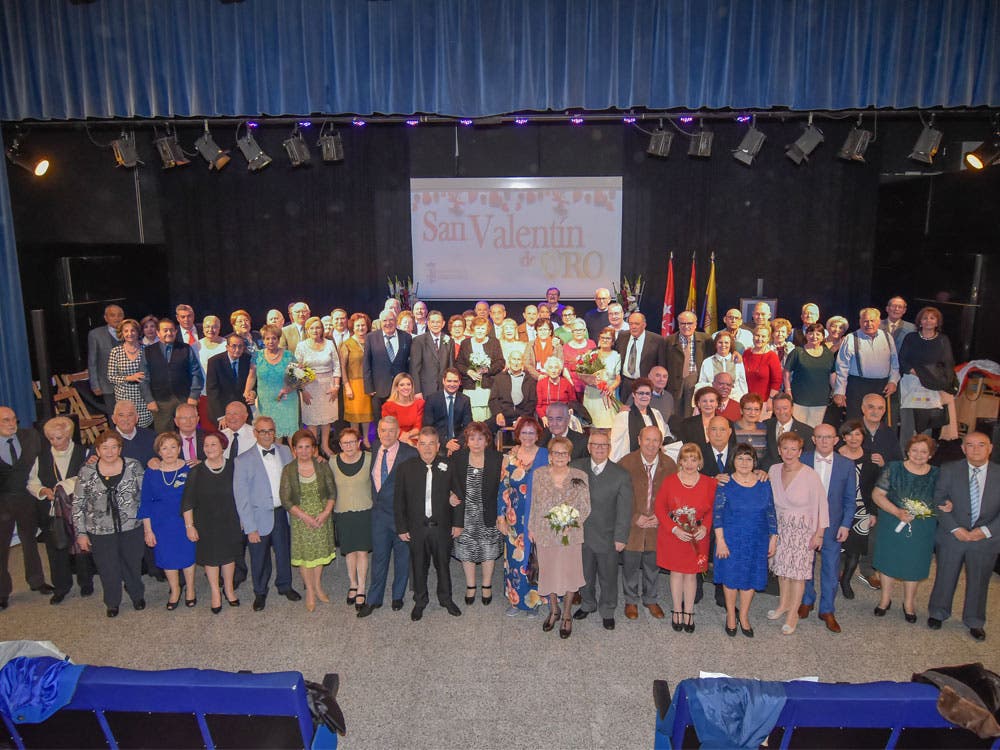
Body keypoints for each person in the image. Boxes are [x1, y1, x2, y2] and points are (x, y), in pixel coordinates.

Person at [928, 432, 999, 641]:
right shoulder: (950, 469)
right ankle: (938, 612)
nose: (975, 449)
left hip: (986, 538)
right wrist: (955, 528)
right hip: (953, 534)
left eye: (981, 445)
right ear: (963, 449)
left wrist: (985, 531)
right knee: (945, 574)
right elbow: (938, 499)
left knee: (979, 580)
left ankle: (975, 620)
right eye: (970, 445)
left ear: (990, 448)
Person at [72, 430, 146, 617]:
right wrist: (80, 533)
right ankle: (112, 602)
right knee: (107, 567)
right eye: (105, 448)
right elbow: (78, 503)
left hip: (131, 526)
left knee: (133, 563)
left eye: (114, 447)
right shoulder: (86, 471)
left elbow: (145, 497)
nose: (110, 451)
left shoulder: (133, 466)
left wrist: (148, 526)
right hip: (99, 530)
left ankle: (137, 595)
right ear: (97, 450)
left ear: (120, 448)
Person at [394, 427, 464, 621]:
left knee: (443, 565)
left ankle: (446, 599)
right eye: (422, 444)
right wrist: (401, 527)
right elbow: (398, 501)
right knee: (418, 566)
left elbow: (458, 495)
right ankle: (420, 601)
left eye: (431, 444)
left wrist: (458, 523)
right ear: (417, 446)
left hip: (441, 527)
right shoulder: (405, 468)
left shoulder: (448, 465)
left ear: (438, 446)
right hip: (416, 528)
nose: (427, 448)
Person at [872, 434, 941, 624]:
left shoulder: (937, 473)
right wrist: (897, 512)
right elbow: (877, 495)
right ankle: (885, 599)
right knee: (888, 560)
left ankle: (909, 603)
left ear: (930, 454)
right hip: (892, 521)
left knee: (915, 563)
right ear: (908, 451)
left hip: (922, 526)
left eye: (924, 452)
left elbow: (943, 498)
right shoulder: (893, 468)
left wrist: (947, 504)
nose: (918, 455)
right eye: (914, 450)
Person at [233, 416, 301, 611]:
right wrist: (249, 526)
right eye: (263, 431)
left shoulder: (286, 451)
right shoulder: (243, 460)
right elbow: (241, 497)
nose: (267, 434)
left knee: (283, 552)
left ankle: (285, 585)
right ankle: (260, 592)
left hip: (282, 513)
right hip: (257, 517)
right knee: (259, 557)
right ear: (255, 433)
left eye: (270, 430)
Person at [26, 416, 94, 604]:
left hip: (79, 511)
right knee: (56, 548)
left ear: (69, 435)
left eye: (59, 438)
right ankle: (62, 587)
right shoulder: (41, 456)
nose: (55, 442)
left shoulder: (84, 452)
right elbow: (32, 481)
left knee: (82, 547)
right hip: (53, 512)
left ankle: (86, 582)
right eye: (51, 438)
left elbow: (91, 478)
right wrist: (42, 491)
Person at [766, 431, 829, 635]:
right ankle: (783, 604)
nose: (789, 453)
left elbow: (822, 505)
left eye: (794, 449)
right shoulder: (774, 470)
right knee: (782, 569)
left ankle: (793, 613)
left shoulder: (810, 474)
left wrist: (819, 533)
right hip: (779, 527)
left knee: (798, 574)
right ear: (779, 450)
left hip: (802, 529)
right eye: (785, 448)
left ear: (800, 451)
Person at [713, 443, 778, 638]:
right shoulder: (725, 483)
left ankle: (744, 615)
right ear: (733, 460)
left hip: (757, 539)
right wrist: (720, 541)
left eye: (748, 458)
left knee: (750, 579)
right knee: (731, 579)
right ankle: (731, 615)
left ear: (754, 462)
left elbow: (771, 512)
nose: (744, 462)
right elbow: (717, 515)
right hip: (731, 539)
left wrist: (773, 538)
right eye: (740, 458)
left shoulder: (764, 482)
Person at [529, 436, 591, 639]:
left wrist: (570, 522)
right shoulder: (538, 474)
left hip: (569, 535)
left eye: (564, 453)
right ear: (550, 455)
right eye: (556, 452)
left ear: (569, 456)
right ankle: (554, 610)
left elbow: (585, 506)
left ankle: (566, 614)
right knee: (550, 573)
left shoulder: (579, 475)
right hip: (545, 533)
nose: (560, 456)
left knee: (569, 574)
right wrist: (531, 528)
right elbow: (534, 503)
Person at [798, 423, 857, 633]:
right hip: (806, 523)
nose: (824, 441)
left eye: (828, 437)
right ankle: (806, 600)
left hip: (833, 525)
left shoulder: (846, 465)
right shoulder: (802, 460)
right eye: (819, 437)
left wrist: (845, 525)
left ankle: (827, 609)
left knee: (831, 569)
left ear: (836, 440)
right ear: (813, 440)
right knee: (805, 565)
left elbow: (851, 499)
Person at [571, 430, 632, 631]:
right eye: (595, 444)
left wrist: (621, 537)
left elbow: (625, 510)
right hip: (582, 534)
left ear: (609, 448)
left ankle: (608, 610)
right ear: (588, 447)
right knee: (585, 574)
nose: (599, 448)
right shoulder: (576, 468)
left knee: (608, 576)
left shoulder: (620, 474)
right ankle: (588, 603)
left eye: (603, 445)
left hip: (608, 537)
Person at [357, 416, 418, 617]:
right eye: (384, 430)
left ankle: (398, 596)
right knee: (379, 559)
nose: (388, 434)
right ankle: (374, 599)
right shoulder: (374, 449)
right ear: (379, 431)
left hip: (402, 518)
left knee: (402, 558)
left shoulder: (410, 453)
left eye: (392, 430)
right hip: (379, 518)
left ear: (399, 431)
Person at [654, 443, 714, 633]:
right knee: (676, 573)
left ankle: (689, 611)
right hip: (675, 535)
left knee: (691, 574)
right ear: (679, 461)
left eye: (693, 459)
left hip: (697, 535)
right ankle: (677, 610)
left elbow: (713, 509)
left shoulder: (708, 483)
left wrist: (705, 526)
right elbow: (659, 508)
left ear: (699, 461)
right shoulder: (670, 481)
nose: (689, 463)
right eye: (685, 459)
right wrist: (673, 529)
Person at [181, 431, 244, 613]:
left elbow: (242, 495)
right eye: (206, 445)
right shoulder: (196, 472)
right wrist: (189, 526)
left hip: (230, 520)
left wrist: (243, 518)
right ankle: (216, 592)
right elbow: (187, 502)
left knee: (229, 557)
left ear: (223, 446)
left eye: (213, 444)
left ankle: (229, 590)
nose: (209, 448)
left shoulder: (234, 467)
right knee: (211, 558)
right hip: (206, 523)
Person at [619, 425, 677, 621]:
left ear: (661, 443)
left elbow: (674, 497)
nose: (651, 444)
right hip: (633, 526)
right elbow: (619, 497)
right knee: (630, 566)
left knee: (653, 565)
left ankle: (650, 599)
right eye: (647, 440)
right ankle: (630, 600)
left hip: (657, 526)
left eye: (655, 441)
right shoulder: (626, 463)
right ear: (639, 440)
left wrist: (662, 517)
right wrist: (635, 517)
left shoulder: (669, 465)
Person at [138, 432, 196, 610]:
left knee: (187, 556)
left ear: (179, 449)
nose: (169, 451)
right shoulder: (151, 472)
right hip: (161, 523)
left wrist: (191, 525)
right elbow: (145, 501)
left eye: (173, 447)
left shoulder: (188, 469)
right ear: (158, 451)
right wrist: (148, 530)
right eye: (164, 448)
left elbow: (194, 498)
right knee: (167, 557)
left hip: (184, 521)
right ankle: (175, 590)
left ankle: (191, 589)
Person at [280, 430, 337, 612]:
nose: (304, 451)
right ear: (294, 449)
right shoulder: (288, 469)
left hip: (322, 518)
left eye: (308, 447)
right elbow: (286, 499)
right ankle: (310, 592)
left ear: (314, 449)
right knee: (305, 557)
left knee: (319, 554)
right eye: (300, 447)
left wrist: (326, 513)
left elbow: (332, 492)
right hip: (301, 519)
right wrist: (304, 517)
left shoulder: (322, 466)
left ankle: (318, 585)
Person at [497, 416, 548, 615]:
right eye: (524, 432)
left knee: (535, 559)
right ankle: (516, 601)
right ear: (518, 434)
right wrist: (500, 516)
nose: (527, 436)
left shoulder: (546, 455)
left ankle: (534, 602)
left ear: (537, 435)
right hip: (514, 517)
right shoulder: (509, 458)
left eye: (531, 432)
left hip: (538, 516)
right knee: (515, 560)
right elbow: (503, 487)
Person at [0, 407, 50, 608]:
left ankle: (37, 581)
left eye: (14, 419)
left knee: (31, 541)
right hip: (2, 501)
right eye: (5, 420)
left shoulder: (31, 436)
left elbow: (47, 459)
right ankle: (2, 593)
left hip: (27, 497)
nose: (12, 424)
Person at [451, 422, 502, 606]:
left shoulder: (497, 458)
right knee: (466, 550)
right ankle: (470, 585)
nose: (476, 442)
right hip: (465, 513)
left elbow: (503, 486)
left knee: (488, 550)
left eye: (480, 438)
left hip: (488, 511)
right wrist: (451, 495)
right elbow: (451, 482)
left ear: (487, 440)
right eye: (472, 438)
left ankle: (486, 585)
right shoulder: (458, 457)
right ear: (467, 440)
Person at [898, 306, 959, 446]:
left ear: (937, 322)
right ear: (919, 322)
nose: (928, 321)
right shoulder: (911, 337)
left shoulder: (943, 340)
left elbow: (948, 363)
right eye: (925, 318)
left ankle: (924, 457)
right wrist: (916, 373)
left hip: (932, 386)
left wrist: (944, 383)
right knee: (907, 424)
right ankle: (903, 458)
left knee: (926, 426)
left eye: (932, 318)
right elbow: (902, 360)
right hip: (910, 383)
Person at [328, 428, 373, 610]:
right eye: (345, 443)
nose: (349, 446)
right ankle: (352, 583)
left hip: (365, 511)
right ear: (340, 445)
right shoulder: (332, 462)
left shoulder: (369, 459)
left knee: (362, 551)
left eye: (352, 442)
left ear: (359, 442)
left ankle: (361, 587)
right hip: (343, 512)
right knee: (349, 551)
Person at [836, 419, 881, 600]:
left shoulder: (871, 458)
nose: (853, 438)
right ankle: (835, 576)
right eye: (849, 434)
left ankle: (846, 581)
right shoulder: (834, 455)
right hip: (837, 509)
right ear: (843, 437)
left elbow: (875, 488)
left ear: (863, 436)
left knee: (854, 550)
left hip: (861, 510)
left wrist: (873, 512)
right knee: (837, 548)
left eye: (857, 434)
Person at [833, 308, 900, 421]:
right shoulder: (850, 338)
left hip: (882, 386)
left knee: (881, 423)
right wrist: (839, 392)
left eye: (872, 320)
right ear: (860, 322)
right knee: (856, 422)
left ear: (879, 321)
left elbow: (894, 364)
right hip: (857, 386)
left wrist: (893, 381)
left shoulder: (888, 337)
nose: (869, 324)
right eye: (865, 321)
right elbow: (842, 368)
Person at [141, 318, 204, 434]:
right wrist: (149, 400)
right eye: (165, 330)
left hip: (185, 399)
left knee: (189, 433)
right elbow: (144, 378)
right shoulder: (148, 351)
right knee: (164, 437)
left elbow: (196, 373)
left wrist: (194, 396)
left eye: (171, 330)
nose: (169, 333)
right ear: (158, 333)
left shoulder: (185, 348)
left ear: (176, 332)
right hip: (160, 402)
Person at [296, 316, 342, 459]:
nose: (316, 330)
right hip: (309, 388)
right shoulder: (301, 346)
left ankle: (325, 446)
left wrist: (336, 386)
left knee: (326, 420)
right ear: (307, 330)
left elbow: (337, 366)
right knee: (312, 422)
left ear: (322, 329)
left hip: (328, 386)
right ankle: (314, 449)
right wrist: (303, 390)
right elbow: (296, 371)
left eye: (318, 327)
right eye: (312, 328)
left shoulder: (329, 344)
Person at [250, 324, 299, 442]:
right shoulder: (257, 356)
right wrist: (247, 391)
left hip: (287, 401)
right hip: (266, 403)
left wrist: (288, 388)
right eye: (267, 338)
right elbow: (251, 376)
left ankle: (294, 460)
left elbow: (298, 377)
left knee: (292, 439)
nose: (271, 341)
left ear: (278, 339)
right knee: (272, 438)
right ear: (263, 340)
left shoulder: (288, 355)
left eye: (274, 338)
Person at [783, 323, 836, 427]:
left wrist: (836, 391)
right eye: (810, 333)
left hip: (820, 400)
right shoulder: (797, 352)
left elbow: (832, 374)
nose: (814, 337)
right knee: (798, 429)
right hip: (799, 398)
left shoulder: (828, 354)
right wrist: (788, 390)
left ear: (823, 337)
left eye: (818, 334)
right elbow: (786, 372)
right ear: (806, 335)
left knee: (814, 429)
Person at [363, 309, 412, 419]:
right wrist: (369, 387)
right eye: (385, 320)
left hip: (401, 389)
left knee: (401, 420)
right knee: (380, 422)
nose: (388, 323)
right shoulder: (371, 337)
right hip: (378, 389)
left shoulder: (406, 337)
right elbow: (366, 363)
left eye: (391, 320)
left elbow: (410, 363)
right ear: (380, 322)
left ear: (396, 321)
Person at [665, 311, 714, 418]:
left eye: (690, 323)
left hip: (696, 385)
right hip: (675, 386)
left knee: (693, 418)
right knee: (675, 419)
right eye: (683, 323)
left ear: (696, 324)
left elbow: (716, 356)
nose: (686, 326)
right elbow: (663, 364)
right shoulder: (668, 341)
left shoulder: (707, 340)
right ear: (678, 324)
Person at [106, 318, 153, 428]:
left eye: (132, 330)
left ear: (138, 332)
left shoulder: (147, 350)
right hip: (124, 398)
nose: (129, 334)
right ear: (122, 333)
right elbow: (111, 377)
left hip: (144, 399)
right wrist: (129, 378)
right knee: (127, 428)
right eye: (126, 331)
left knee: (145, 430)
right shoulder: (116, 352)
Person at [456, 317, 504, 422]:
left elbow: (500, 362)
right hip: (470, 387)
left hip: (488, 387)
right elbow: (459, 363)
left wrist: (487, 370)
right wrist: (469, 371)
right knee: (470, 418)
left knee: (487, 419)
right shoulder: (465, 343)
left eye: (483, 328)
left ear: (487, 330)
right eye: (478, 328)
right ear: (473, 329)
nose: (480, 331)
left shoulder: (494, 342)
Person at [611, 378, 669, 462]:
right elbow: (616, 444)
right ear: (633, 395)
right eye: (641, 393)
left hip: (655, 462)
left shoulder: (656, 414)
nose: (644, 396)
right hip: (631, 463)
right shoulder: (624, 416)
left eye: (647, 393)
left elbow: (665, 435)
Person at [339, 313, 374, 447]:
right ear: (353, 327)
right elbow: (342, 367)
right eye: (358, 325)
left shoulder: (371, 341)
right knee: (355, 416)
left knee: (367, 415)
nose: (361, 328)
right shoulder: (346, 344)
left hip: (368, 384)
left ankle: (365, 439)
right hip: (353, 384)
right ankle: (355, 441)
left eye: (363, 325)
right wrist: (346, 385)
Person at [423, 368, 473, 456]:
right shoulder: (432, 399)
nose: (452, 384)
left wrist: (456, 444)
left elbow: (468, 426)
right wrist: (446, 443)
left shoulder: (465, 400)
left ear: (459, 383)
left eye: (455, 381)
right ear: (443, 381)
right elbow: (428, 427)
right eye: (449, 381)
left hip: (458, 443)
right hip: (438, 442)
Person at [205, 334, 252, 424]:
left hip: (243, 410)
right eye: (234, 346)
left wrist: (253, 392)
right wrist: (221, 416)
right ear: (227, 347)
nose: (237, 350)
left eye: (240, 346)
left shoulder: (248, 360)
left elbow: (254, 382)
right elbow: (212, 391)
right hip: (222, 410)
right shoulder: (214, 362)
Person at [580, 327, 621, 429]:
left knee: (607, 426)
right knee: (591, 426)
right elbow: (582, 374)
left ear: (612, 341)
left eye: (608, 338)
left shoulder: (616, 356)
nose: (604, 340)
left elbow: (618, 378)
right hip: (591, 395)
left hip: (607, 395)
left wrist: (611, 388)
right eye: (602, 337)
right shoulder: (590, 354)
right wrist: (590, 380)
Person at [616, 312, 666, 396]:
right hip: (625, 384)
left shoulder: (657, 340)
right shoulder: (622, 336)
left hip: (646, 384)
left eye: (637, 324)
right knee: (625, 408)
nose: (633, 327)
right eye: (631, 324)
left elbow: (661, 365)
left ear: (644, 325)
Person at [488, 349, 537, 433]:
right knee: (484, 428)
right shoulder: (499, 378)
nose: (516, 362)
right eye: (514, 359)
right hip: (504, 415)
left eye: (519, 359)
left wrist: (523, 417)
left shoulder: (530, 380)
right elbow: (493, 400)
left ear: (522, 362)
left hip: (523, 416)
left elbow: (532, 402)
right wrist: (498, 414)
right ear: (509, 361)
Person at [88, 304, 124, 416]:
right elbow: (92, 361)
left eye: (119, 315)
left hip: (128, 384)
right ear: (106, 318)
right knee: (114, 415)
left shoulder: (130, 331)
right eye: (112, 315)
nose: (117, 318)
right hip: (107, 385)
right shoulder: (95, 334)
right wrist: (95, 385)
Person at [410, 310, 453, 401]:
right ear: (428, 324)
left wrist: (450, 387)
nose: (435, 324)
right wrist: (417, 391)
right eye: (432, 322)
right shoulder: (419, 341)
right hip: (425, 390)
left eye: (438, 322)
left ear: (443, 323)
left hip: (444, 389)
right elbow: (414, 368)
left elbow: (451, 367)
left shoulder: (449, 340)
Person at [762, 393, 814, 469]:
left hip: (795, 475)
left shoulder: (807, 431)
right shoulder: (765, 425)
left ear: (792, 409)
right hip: (767, 475)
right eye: (777, 408)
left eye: (785, 408)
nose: (781, 412)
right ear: (773, 410)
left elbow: (807, 459)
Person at [197, 315, 227, 431]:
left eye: (214, 327)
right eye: (207, 327)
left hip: (224, 395)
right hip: (204, 395)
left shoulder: (226, 345)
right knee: (208, 430)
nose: (211, 330)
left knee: (225, 431)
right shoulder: (196, 346)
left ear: (219, 328)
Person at [697, 331, 747, 402]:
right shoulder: (707, 362)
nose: (723, 345)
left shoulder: (737, 361)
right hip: (712, 400)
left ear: (730, 344)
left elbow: (742, 384)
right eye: (720, 342)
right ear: (715, 344)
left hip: (734, 400)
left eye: (726, 343)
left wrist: (744, 401)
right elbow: (701, 384)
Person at [742, 325, 782, 412]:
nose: (759, 339)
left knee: (761, 426)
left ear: (768, 338)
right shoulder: (746, 353)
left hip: (764, 403)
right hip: (745, 401)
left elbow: (777, 381)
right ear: (753, 337)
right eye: (757, 335)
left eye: (763, 336)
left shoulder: (772, 356)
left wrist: (771, 400)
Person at [380, 372, 425, 447]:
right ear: (396, 387)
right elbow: (391, 428)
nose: (406, 387)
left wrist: (408, 436)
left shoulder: (419, 403)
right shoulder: (388, 406)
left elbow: (418, 426)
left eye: (408, 384)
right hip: (395, 439)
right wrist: (407, 440)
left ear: (412, 386)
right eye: (402, 385)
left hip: (416, 439)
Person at [111, 400, 156, 464]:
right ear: (113, 419)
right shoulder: (104, 441)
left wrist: (158, 460)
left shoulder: (152, 436)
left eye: (130, 415)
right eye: (121, 415)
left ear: (137, 418)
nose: (126, 419)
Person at [535, 356, 578, 422]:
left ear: (560, 370)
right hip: (546, 415)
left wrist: (570, 408)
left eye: (556, 367)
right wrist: (543, 417)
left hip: (562, 415)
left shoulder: (567, 383)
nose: (553, 370)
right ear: (547, 370)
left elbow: (573, 401)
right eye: (551, 367)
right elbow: (538, 405)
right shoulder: (541, 383)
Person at [563, 319, 597, 399]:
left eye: (581, 330)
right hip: (573, 385)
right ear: (572, 332)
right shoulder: (565, 347)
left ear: (585, 331)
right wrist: (571, 384)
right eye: (575, 330)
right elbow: (564, 368)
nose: (578, 332)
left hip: (591, 385)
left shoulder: (591, 344)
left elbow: (596, 365)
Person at [734, 393, 767, 462]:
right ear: (741, 410)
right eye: (748, 409)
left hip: (759, 471)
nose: (752, 413)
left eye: (756, 409)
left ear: (760, 411)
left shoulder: (765, 429)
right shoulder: (731, 429)